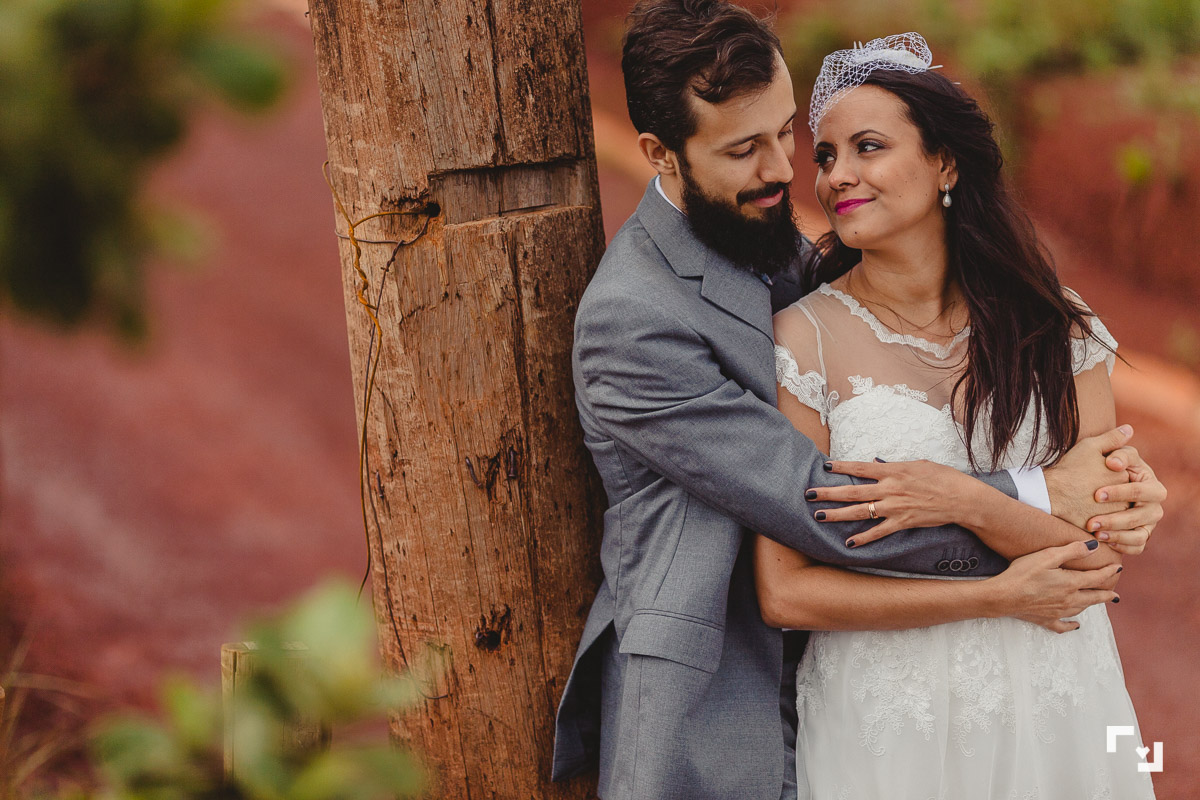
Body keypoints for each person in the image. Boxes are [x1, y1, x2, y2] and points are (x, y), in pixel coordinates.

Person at [551, 3, 1167, 799]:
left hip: (960, 677)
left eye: (785, 134)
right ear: (659, 155)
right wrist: (1034, 516)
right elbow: (814, 506)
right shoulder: (633, 320)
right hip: (716, 695)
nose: (788, 170)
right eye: (745, 148)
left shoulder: (777, 244)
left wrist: (1119, 504)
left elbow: (1096, 520)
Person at [760, 32, 1158, 798]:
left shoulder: (1055, 327)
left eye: (867, 147)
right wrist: (998, 589)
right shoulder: (800, 341)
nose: (838, 175)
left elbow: (1098, 563)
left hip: (1058, 693)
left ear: (945, 163)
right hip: (886, 714)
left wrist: (962, 497)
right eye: (827, 156)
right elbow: (786, 590)